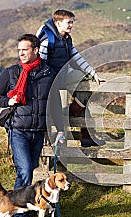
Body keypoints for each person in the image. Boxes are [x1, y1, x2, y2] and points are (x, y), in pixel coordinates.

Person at [0, 34, 63, 217]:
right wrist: (8, 101)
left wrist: (61, 129)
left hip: (38, 131)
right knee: (24, 169)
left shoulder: (49, 73)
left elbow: (55, 102)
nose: (21, 53)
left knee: (29, 169)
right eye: (19, 50)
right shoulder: (11, 72)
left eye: (25, 50)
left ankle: (25, 211)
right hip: (18, 130)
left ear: (36, 50)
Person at [36, 9, 106, 147]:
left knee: (86, 82)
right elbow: (40, 64)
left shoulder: (66, 39)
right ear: (58, 23)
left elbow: (77, 57)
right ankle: (74, 130)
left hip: (65, 74)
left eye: (72, 22)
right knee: (51, 108)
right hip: (51, 79)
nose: (71, 26)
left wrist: (93, 73)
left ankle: (74, 111)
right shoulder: (46, 42)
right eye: (68, 22)